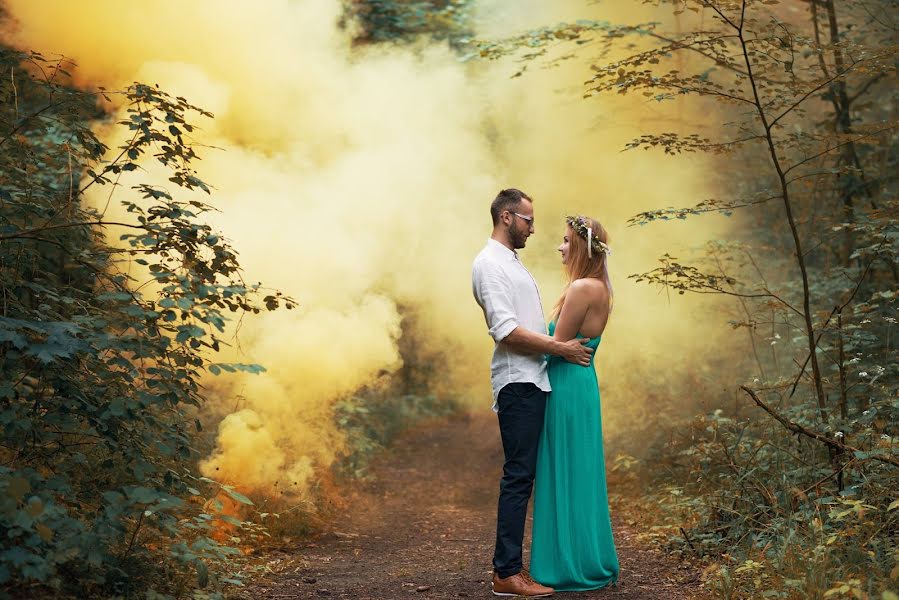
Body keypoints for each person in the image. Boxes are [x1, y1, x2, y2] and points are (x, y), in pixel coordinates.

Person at [471, 189, 594, 598]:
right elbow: (505, 331)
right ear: (506, 217)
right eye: (527, 220)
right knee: (519, 476)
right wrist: (560, 348)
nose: (532, 228)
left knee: (526, 475)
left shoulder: (511, 264)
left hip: (534, 379)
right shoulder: (489, 265)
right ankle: (506, 573)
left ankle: (519, 567)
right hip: (518, 382)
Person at [530, 214, 620, 591]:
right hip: (582, 384)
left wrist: (521, 355)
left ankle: (566, 565)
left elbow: (557, 346)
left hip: (565, 386)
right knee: (579, 470)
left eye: (567, 241)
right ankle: (585, 555)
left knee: (562, 470)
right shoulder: (600, 287)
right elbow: (566, 347)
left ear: (583, 247)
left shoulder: (581, 287)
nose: (561, 247)